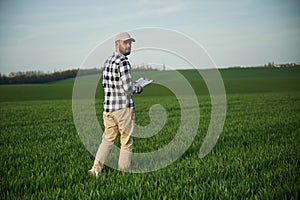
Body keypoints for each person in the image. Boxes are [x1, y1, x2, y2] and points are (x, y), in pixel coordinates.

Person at [88, 32, 143, 177]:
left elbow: (110, 83)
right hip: (123, 109)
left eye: (130, 43)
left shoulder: (108, 61)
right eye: (125, 43)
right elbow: (128, 89)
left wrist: (131, 82)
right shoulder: (123, 61)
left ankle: (95, 169)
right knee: (126, 141)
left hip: (108, 109)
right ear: (117, 43)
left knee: (107, 140)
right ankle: (123, 172)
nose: (129, 45)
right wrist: (138, 88)